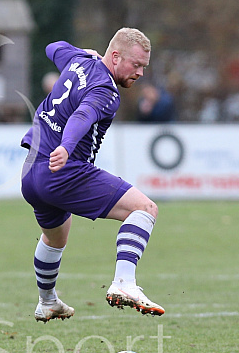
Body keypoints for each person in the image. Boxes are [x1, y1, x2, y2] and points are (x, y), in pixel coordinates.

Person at [20, 27, 165, 322]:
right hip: (63, 170)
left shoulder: (78, 60)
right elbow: (83, 115)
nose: (139, 73)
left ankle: (47, 301)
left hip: (31, 172)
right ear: (114, 56)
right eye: (135, 65)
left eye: (143, 67)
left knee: (56, 237)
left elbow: (52, 45)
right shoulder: (106, 90)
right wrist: (66, 147)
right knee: (145, 209)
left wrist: (83, 52)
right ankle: (124, 282)